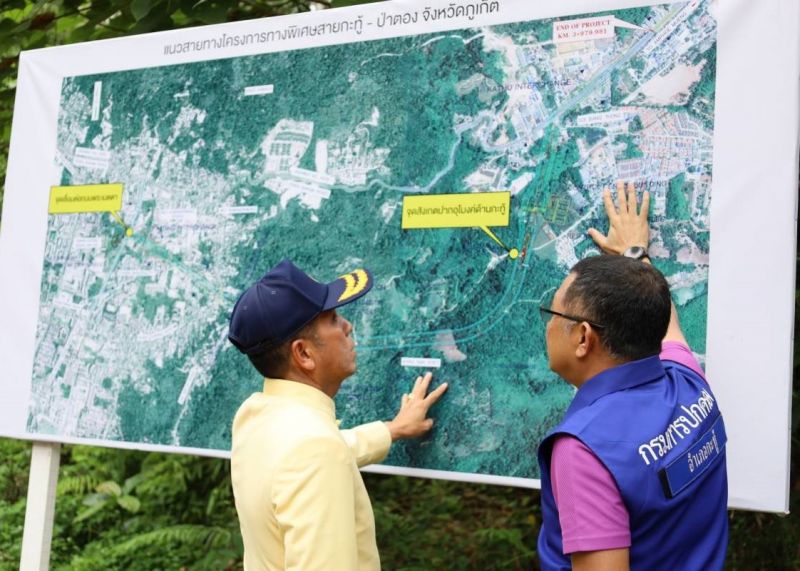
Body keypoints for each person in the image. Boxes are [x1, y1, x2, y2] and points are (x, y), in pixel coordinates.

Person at [537, 182, 728, 571]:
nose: (547, 327)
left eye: (553, 315)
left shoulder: (584, 450)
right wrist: (634, 255)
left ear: (583, 337)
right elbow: (664, 321)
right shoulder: (689, 384)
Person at [227, 259, 447, 571]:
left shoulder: (255, 417)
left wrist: (392, 429)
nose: (348, 326)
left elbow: (317, 454)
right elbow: (319, 455)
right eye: (332, 319)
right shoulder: (314, 449)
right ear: (304, 354)